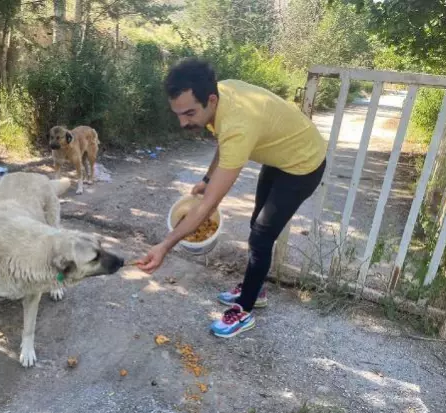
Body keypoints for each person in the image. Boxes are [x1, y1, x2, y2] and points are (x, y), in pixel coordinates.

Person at [137, 58, 326, 338]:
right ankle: (256, 286)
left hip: (303, 164)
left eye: (189, 113)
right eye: (177, 114)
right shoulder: (220, 95)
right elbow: (222, 140)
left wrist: (165, 245)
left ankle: (245, 310)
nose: (182, 122)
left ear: (210, 100)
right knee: (257, 224)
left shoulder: (238, 123)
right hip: (280, 156)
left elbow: (208, 206)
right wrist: (206, 178)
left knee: (262, 234)